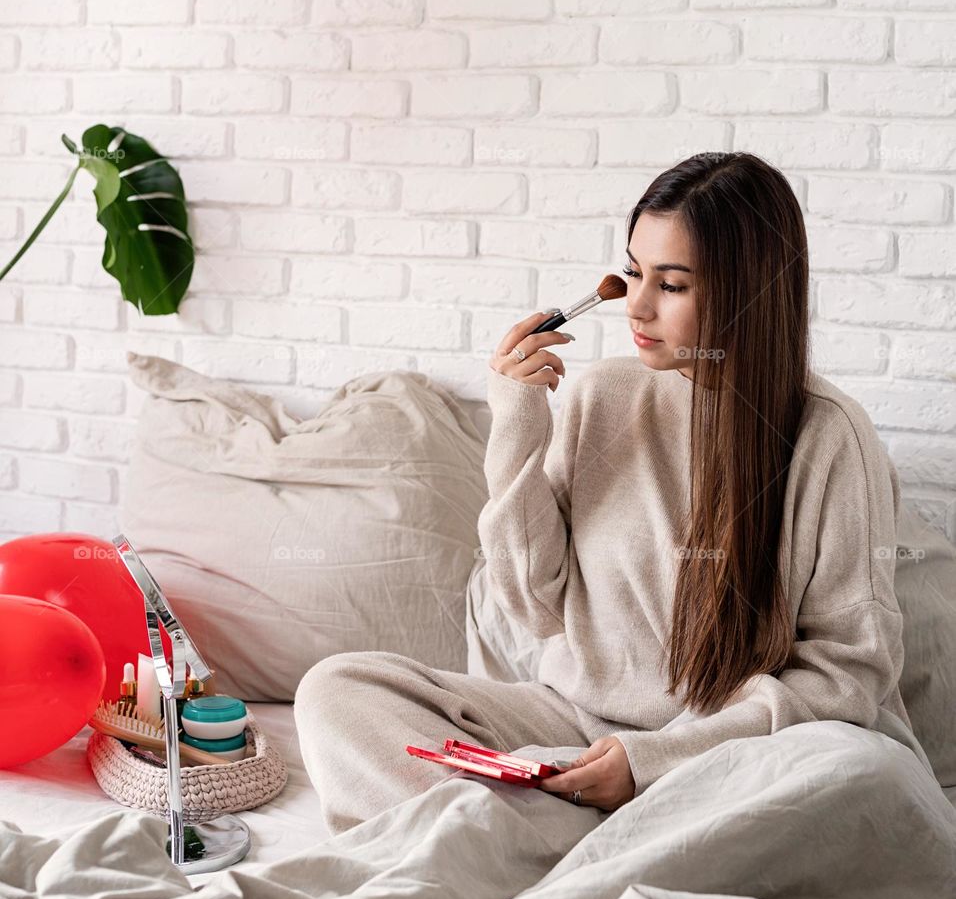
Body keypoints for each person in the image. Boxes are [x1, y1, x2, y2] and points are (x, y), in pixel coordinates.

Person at [295, 150, 934, 835]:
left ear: (750, 288)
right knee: (337, 692)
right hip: (569, 721)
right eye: (634, 271)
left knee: (855, 774)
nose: (637, 304)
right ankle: (560, 833)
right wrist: (516, 422)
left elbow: (848, 674)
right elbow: (531, 604)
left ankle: (518, 833)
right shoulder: (601, 396)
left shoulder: (831, 436)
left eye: (674, 284)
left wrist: (651, 762)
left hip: (718, 759)